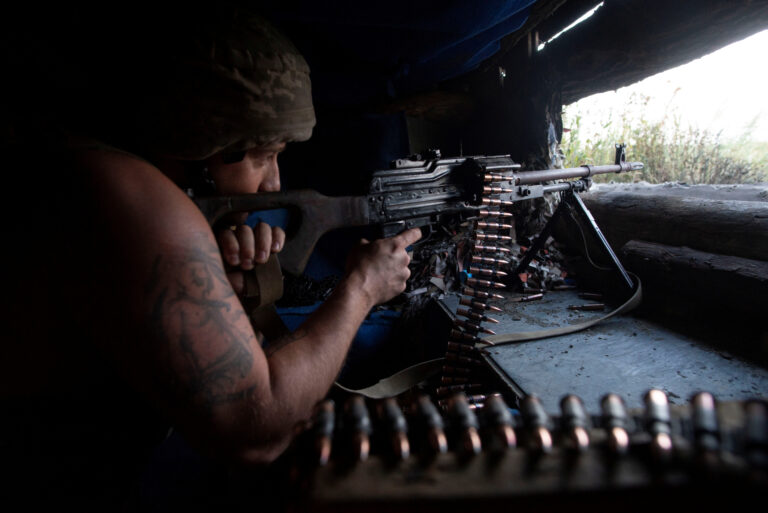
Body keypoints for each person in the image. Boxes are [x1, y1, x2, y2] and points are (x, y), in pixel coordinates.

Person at [2, 6, 419, 506]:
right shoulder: (136, 199)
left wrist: (227, 280)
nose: (274, 182)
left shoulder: (91, 167)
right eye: (264, 154)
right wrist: (363, 288)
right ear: (204, 144)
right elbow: (255, 429)